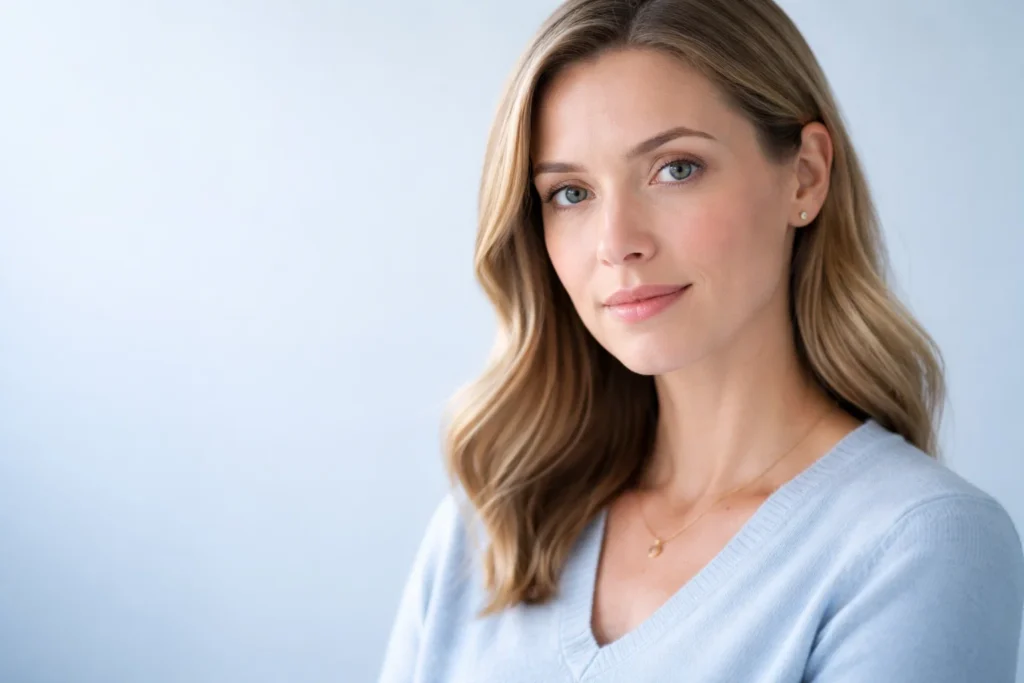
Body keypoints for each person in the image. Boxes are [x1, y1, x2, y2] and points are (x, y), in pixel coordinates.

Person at [377, 0, 1024, 680]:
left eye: (675, 169)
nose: (618, 243)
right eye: (570, 193)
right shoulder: (494, 528)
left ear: (805, 175)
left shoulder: (922, 544)